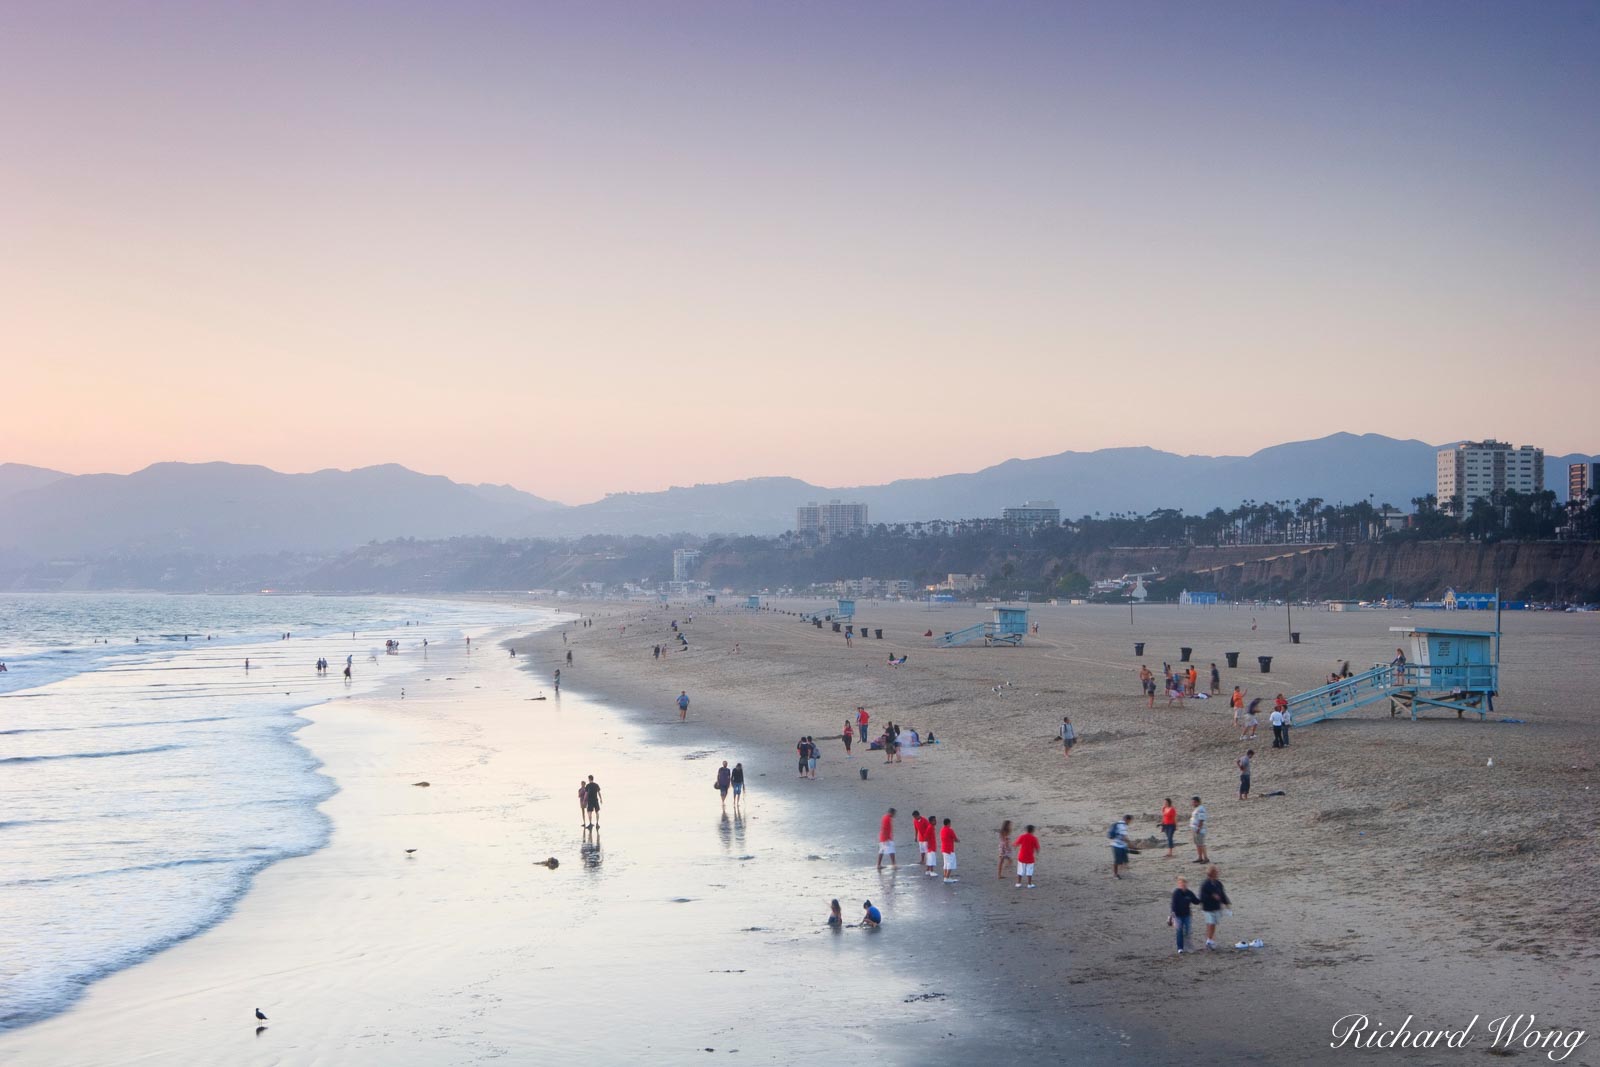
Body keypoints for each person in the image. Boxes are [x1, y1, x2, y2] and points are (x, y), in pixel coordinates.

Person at [1199, 865, 1232, 950]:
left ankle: (1210, 940)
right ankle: (1209, 941)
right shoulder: (1205, 884)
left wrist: (1227, 903)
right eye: (1216, 872)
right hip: (1208, 908)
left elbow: (1222, 894)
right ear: (1211, 874)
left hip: (1216, 907)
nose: (1217, 874)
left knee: (1213, 924)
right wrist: (1212, 896)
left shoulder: (1218, 883)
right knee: (1211, 923)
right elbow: (1202, 897)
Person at [1170, 877, 1203, 954]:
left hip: (1187, 915)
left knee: (1188, 931)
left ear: (1186, 884)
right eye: (1181, 883)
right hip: (1177, 916)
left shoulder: (1189, 893)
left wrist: (1203, 897)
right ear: (1179, 884)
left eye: (1184, 883)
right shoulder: (1176, 893)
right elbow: (1173, 906)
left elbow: (1196, 901)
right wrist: (1173, 918)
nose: (1183, 885)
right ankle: (1180, 948)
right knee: (1179, 931)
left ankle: (1188, 947)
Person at [1014, 824, 1040, 889]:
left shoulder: (1022, 836)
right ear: (1032, 831)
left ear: (1026, 830)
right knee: (1029, 871)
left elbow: (1016, 844)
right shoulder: (1034, 838)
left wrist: (1014, 846)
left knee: (1020, 870)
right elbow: (1037, 848)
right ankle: (1029, 884)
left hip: (1022, 856)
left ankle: (1018, 883)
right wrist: (1037, 854)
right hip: (1030, 857)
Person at [1109, 814, 1131, 879]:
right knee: (1117, 861)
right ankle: (1115, 875)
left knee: (1124, 860)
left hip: (1120, 845)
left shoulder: (1118, 823)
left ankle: (1122, 873)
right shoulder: (1123, 826)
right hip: (1117, 846)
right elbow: (1124, 837)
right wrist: (1132, 845)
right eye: (1130, 821)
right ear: (1127, 820)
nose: (1130, 823)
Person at [1189, 797, 1209, 863]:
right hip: (1195, 829)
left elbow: (1201, 820)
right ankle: (1200, 857)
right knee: (1197, 844)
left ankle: (1205, 858)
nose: (1193, 803)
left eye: (1194, 802)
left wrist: (1198, 828)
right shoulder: (1197, 809)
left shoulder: (1201, 808)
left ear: (1197, 802)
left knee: (1201, 844)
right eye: (1192, 802)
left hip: (1199, 829)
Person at [939, 819, 959, 883]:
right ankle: (947, 877)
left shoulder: (942, 830)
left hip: (944, 849)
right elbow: (955, 839)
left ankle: (945, 876)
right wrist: (958, 840)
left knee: (945, 863)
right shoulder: (950, 830)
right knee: (950, 863)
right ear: (948, 823)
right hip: (949, 849)